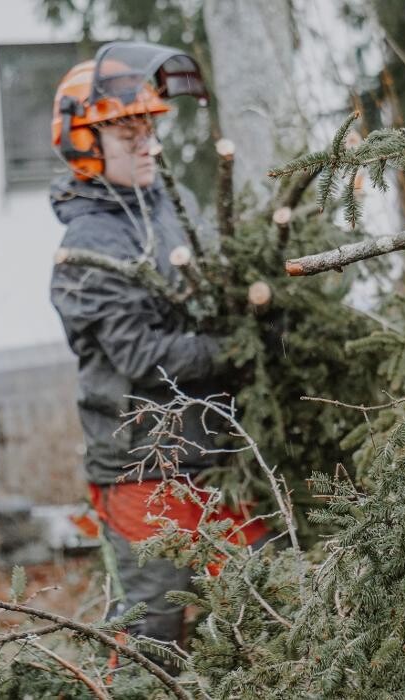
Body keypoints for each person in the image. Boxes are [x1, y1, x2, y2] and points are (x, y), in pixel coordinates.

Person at [48, 42, 268, 645]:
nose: (148, 144)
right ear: (86, 145)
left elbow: (210, 287)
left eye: (149, 129)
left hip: (215, 450)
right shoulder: (88, 246)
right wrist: (234, 349)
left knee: (261, 592)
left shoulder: (168, 204)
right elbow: (142, 356)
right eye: (128, 136)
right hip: (142, 464)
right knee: (153, 627)